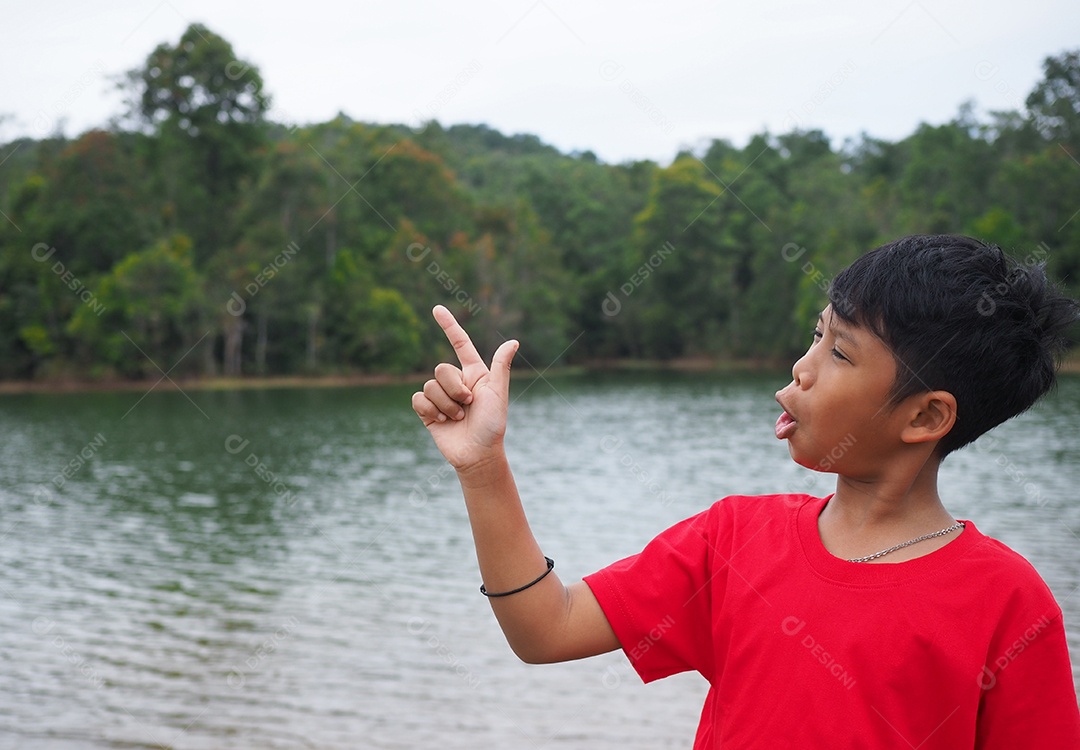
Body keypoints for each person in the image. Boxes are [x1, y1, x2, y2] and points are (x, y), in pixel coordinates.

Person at [410, 234, 1080, 748]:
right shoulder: (731, 540)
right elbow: (545, 628)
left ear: (926, 417)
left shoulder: (1008, 604)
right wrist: (484, 467)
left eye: (840, 354)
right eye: (817, 335)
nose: (802, 366)